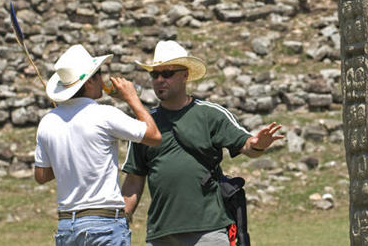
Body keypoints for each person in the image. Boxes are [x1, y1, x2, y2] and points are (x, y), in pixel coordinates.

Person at [121, 40, 284, 246]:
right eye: (155, 74)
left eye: (168, 73)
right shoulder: (145, 124)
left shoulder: (210, 114)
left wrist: (259, 143)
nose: (160, 80)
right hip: (161, 234)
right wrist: (120, 219)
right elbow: (134, 180)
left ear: (185, 75)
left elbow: (247, 147)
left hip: (209, 230)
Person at [34, 44, 162, 245]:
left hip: (67, 226)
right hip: (103, 224)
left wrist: (67, 158)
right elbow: (154, 136)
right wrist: (132, 99)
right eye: (99, 74)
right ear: (90, 81)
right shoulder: (104, 114)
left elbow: (41, 176)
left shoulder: (48, 122)